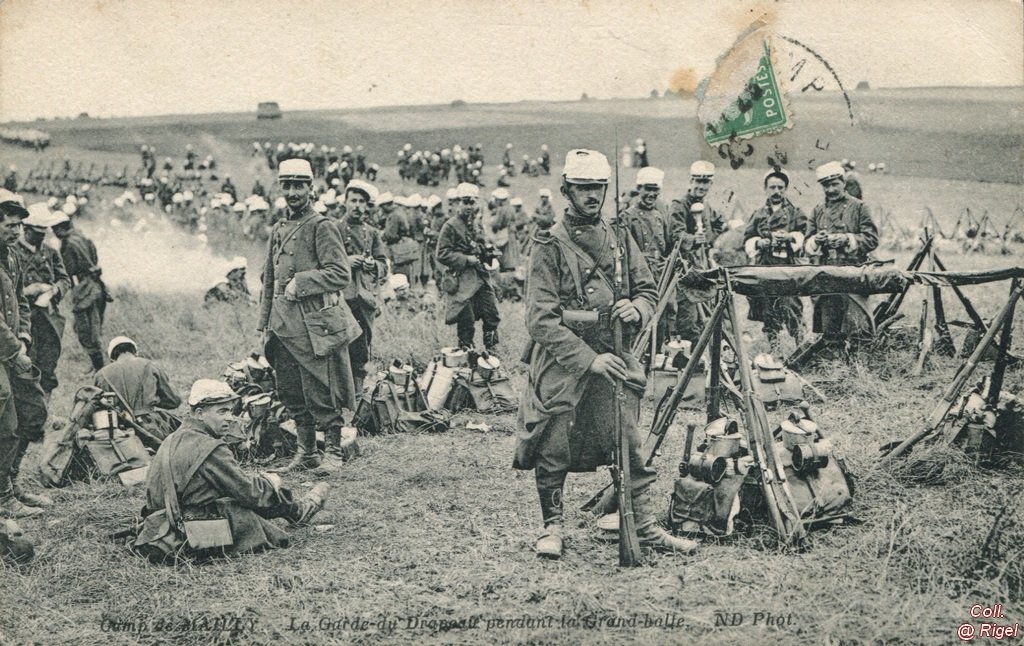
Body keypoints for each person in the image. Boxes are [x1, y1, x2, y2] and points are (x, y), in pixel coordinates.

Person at [514, 149, 697, 559]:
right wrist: (587, 360)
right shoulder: (548, 244)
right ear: (566, 190)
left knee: (628, 441)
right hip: (564, 361)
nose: (591, 195)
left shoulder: (618, 236)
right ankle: (553, 526)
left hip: (615, 353)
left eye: (598, 187)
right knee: (552, 441)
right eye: (582, 188)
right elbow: (541, 320)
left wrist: (639, 307)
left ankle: (645, 526)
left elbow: (648, 288)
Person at [133, 380, 329, 562]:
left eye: (230, 411)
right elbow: (249, 493)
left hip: (158, 526)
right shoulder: (210, 447)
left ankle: (296, 511)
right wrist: (272, 483)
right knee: (251, 494)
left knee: (238, 486)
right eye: (222, 411)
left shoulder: (171, 439)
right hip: (192, 531)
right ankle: (297, 510)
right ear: (200, 413)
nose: (229, 418)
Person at [257, 158, 358, 472]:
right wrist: (264, 325)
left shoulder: (321, 226)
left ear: (311, 189)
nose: (292, 192)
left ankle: (334, 453)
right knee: (289, 390)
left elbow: (340, 274)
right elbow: (269, 280)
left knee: (320, 389)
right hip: (282, 325)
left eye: (298, 185)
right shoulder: (278, 228)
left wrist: (302, 282)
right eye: (287, 185)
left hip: (314, 326)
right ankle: (307, 452)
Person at [0, 193, 51, 517]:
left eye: (19, 225)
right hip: (4, 353)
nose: (16, 230)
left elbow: (20, 301)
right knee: (5, 420)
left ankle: (11, 482)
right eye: (9, 224)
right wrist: (13, 349)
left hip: (13, 350)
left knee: (33, 413)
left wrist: (24, 336)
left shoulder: (13, 257)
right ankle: (4, 499)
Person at [804, 161, 879, 351]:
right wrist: (816, 240)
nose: (831, 189)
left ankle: (860, 368)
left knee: (858, 324)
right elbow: (806, 245)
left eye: (835, 184)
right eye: (826, 185)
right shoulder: (817, 210)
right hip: (827, 275)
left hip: (854, 274)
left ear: (843, 183)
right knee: (830, 326)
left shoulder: (860, 207)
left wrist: (847, 239)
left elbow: (872, 239)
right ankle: (834, 367)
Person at [743, 170, 808, 347]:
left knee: (790, 307)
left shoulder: (796, 212)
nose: (776, 191)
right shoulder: (759, 214)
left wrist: (791, 238)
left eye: (780, 187)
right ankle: (774, 347)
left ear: (786, 189)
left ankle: (801, 346)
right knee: (767, 309)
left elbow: (806, 235)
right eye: (772, 187)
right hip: (764, 267)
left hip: (787, 267)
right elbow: (747, 237)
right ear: (765, 189)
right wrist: (758, 243)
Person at [335, 180, 388, 397]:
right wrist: (345, 261)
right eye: (353, 201)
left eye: (362, 202)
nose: (357, 206)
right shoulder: (334, 228)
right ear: (345, 203)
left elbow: (384, 265)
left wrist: (373, 265)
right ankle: (340, 393)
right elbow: (323, 261)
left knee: (362, 347)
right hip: (340, 297)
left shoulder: (373, 233)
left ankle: (356, 395)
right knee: (339, 345)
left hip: (365, 298)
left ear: (367, 206)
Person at [435, 183, 501, 351]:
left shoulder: (477, 224)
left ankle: (491, 353)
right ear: (458, 203)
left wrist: (489, 253)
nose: (469, 207)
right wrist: (465, 259)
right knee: (466, 320)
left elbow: (480, 247)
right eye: (465, 202)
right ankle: (466, 355)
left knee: (491, 313)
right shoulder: (450, 226)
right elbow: (442, 254)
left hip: (480, 276)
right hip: (462, 280)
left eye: (472, 202)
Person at [15, 204, 70, 396]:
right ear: (26, 229)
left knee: (48, 363)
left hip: (49, 317)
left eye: (44, 233)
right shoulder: (12, 252)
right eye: (37, 233)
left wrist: (55, 290)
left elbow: (65, 279)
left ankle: (45, 406)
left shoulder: (50, 252)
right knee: (26, 365)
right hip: (23, 319)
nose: (42, 237)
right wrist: (28, 291)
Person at [668, 160, 725, 345]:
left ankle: (705, 356)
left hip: (704, 265)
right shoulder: (679, 205)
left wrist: (708, 238)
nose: (701, 186)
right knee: (688, 313)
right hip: (685, 267)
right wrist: (692, 240)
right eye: (698, 181)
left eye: (706, 182)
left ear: (711, 184)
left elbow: (719, 223)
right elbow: (675, 234)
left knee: (707, 311)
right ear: (691, 181)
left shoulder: (706, 207)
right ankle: (690, 357)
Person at [93, 336, 182, 448]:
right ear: (135, 352)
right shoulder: (151, 366)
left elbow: (99, 408)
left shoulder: (101, 375)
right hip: (152, 427)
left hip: (120, 432)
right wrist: (153, 400)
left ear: (112, 358)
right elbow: (174, 401)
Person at [619, 167, 672, 351]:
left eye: (655, 189)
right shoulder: (627, 216)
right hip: (638, 277)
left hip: (660, 274)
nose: (651, 194)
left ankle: (656, 357)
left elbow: (667, 245)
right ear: (639, 189)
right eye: (647, 189)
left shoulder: (659, 216)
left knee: (662, 318)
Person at [52, 216, 110, 371]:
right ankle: (97, 365)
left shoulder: (67, 244)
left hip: (85, 289)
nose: (54, 233)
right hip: (96, 286)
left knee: (87, 331)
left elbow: (67, 270)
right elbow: (95, 258)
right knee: (93, 328)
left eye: (54, 229)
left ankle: (100, 369)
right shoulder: (83, 237)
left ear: (60, 228)